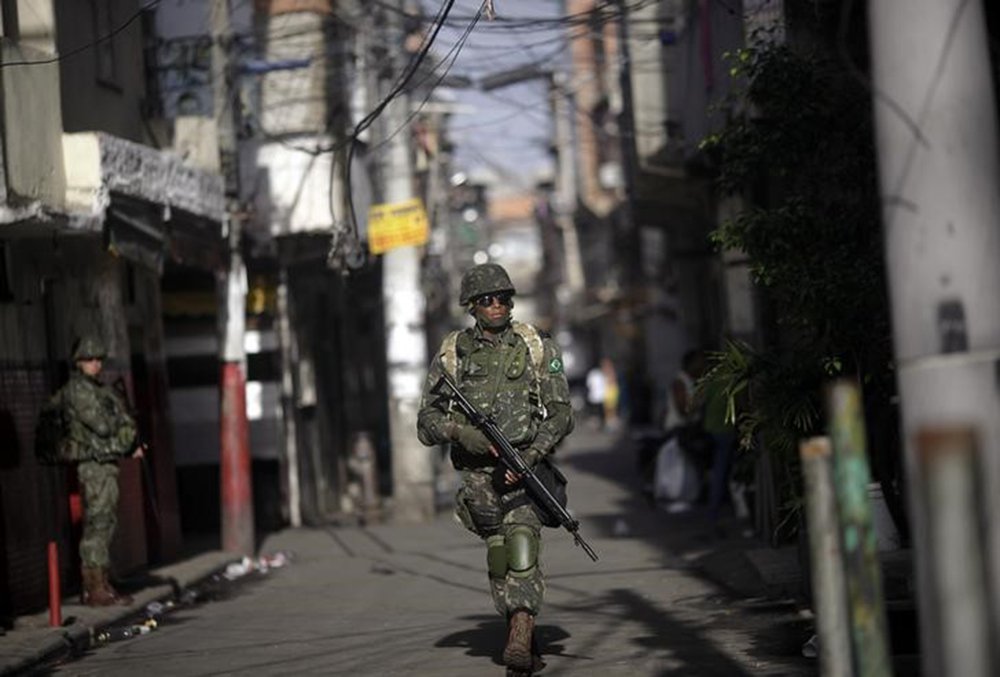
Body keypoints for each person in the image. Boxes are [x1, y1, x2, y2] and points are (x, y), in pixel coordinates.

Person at [417, 263, 574, 674]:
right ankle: (524, 639)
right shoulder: (452, 354)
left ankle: (519, 641)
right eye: (487, 300)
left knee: (522, 543)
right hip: (477, 477)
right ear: (471, 306)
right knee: (500, 558)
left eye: (504, 298)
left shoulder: (536, 345)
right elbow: (426, 423)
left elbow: (561, 415)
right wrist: (461, 433)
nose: (497, 306)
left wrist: (531, 456)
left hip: (524, 464)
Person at [61, 334, 144, 606]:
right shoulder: (79, 391)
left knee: (106, 522)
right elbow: (103, 425)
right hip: (93, 465)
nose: (95, 364)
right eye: (89, 359)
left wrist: (126, 439)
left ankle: (103, 581)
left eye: (98, 359)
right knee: (98, 523)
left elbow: (122, 420)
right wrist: (123, 431)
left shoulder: (99, 390)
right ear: (78, 362)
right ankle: (94, 587)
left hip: (105, 462)